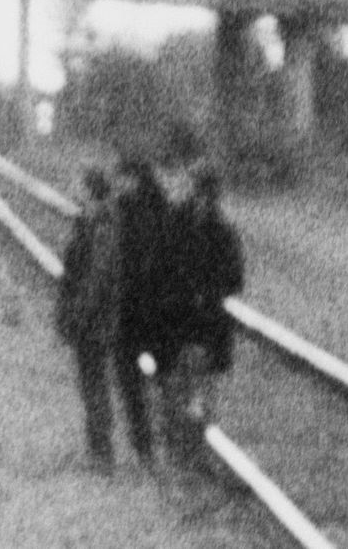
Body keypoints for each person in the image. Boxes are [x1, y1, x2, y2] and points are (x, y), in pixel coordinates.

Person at [156, 165, 244, 469]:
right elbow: (162, 264)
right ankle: (182, 452)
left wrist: (205, 291)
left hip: (203, 325)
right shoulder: (181, 222)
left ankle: (194, 454)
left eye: (196, 187)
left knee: (197, 393)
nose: (195, 194)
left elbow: (234, 278)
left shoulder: (219, 230)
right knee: (179, 389)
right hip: (182, 321)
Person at [56, 168, 121, 474]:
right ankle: (96, 449)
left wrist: (78, 315)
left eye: (79, 184)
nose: (73, 187)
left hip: (95, 319)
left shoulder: (102, 226)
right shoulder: (89, 221)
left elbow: (97, 277)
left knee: (94, 383)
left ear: (90, 190)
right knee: (89, 382)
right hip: (89, 316)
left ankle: (102, 453)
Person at [114, 157, 169, 466]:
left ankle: (144, 447)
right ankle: (157, 445)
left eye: (123, 178)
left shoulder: (128, 212)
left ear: (134, 179)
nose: (119, 184)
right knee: (155, 380)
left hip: (133, 311)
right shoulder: (162, 209)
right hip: (155, 312)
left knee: (131, 382)